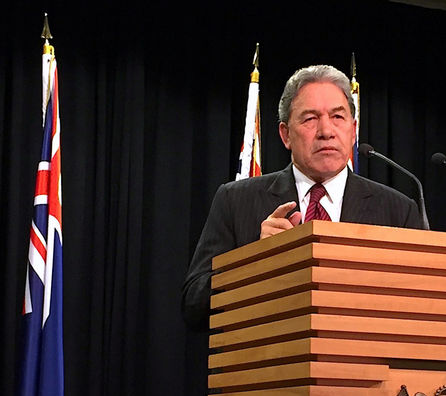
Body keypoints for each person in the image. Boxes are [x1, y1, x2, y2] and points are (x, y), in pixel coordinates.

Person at [182, 64, 424, 329]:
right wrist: (254, 262)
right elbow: (194, 307)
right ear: (285, 134)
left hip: (363, 367)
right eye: (310, 118)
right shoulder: (235, 200)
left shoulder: (398, 211)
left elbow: (422, 310)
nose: (326, 131)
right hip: (268, 364)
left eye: (338, 117)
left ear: (353, 130)